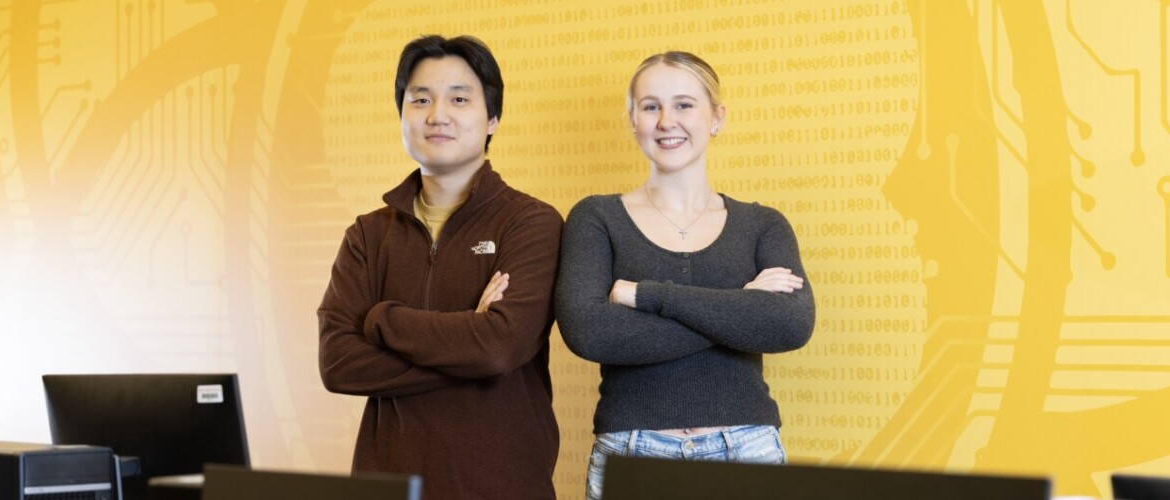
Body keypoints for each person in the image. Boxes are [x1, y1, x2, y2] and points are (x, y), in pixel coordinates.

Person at [554, 51, 816, 500]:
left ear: (717, 118)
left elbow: (789, 325)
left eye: (684, 105)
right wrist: (741, 303)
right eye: (650, 106)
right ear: (632, 119)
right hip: (633, 453)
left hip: (747, 449)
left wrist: (648, 295)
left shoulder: (763, 224)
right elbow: (590, 333)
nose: (666, 121)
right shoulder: (596, 217)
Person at [318, 35, 561, 500]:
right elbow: (339, 364)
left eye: (459, 99)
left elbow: (498, 349)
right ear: (402, 114)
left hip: (503, 488)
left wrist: (381, 319)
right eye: (420, 99)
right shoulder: (368, 235)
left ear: (492, 117)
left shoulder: (531, 223)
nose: (437, 115)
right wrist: (470, 335)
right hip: (387, 486)